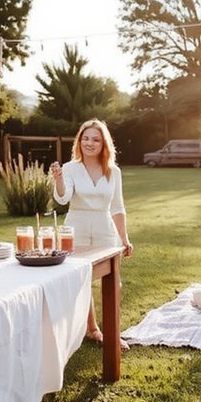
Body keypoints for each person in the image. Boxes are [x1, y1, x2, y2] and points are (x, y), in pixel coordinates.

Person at [50, 119, 133, 349]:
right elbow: (63, 198)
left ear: (103, 143)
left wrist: (124, 239)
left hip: (105, 229)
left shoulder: (113, 171)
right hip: (76, 228)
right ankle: (92, 329)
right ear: (79, 141)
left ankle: (113, 333)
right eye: (85, 138)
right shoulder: (70, 168)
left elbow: (118, 207)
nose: (90, 143)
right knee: (82, 281)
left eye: (95, 139)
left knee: (113, 283)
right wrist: (58, 181)